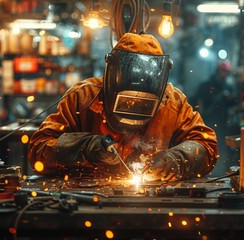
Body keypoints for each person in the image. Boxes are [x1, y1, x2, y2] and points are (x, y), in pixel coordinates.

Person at [28, 32, 218, 181]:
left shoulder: (172, 103)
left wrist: (176, 160)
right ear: (112, 81)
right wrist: (83, 147)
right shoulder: (83, 97)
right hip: (86, 196)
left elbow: (206, 147)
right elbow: (38, 151)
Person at [193, 59, 235, 175]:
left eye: (225, 71)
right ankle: (205, 171)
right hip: (209, 122)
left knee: (220, 148)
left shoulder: (228, 86)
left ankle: (218, 173)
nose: (223, 73)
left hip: (222, 124)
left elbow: (233, 104)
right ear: (217, 71)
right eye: (222, 71)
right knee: (206, 147)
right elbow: (198, 103)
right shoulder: (207, 85)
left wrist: (231, 99)